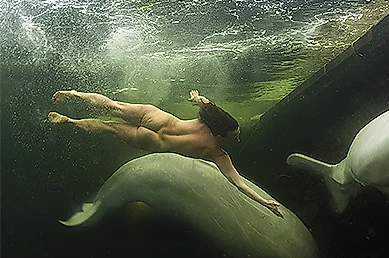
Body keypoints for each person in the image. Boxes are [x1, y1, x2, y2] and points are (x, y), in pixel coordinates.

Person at [48, 89, 283, 218]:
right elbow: (239, 183)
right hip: (155, 138)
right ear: (224, 134)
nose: (238, 140)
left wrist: (264, 202)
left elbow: (238, 183)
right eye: (236, 136)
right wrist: (195, 98)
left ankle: (71, 108)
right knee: (111, 121)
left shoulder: (216, 141)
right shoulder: (217, 150)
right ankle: (71, 109)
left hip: (157, 123)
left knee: (112, 113)